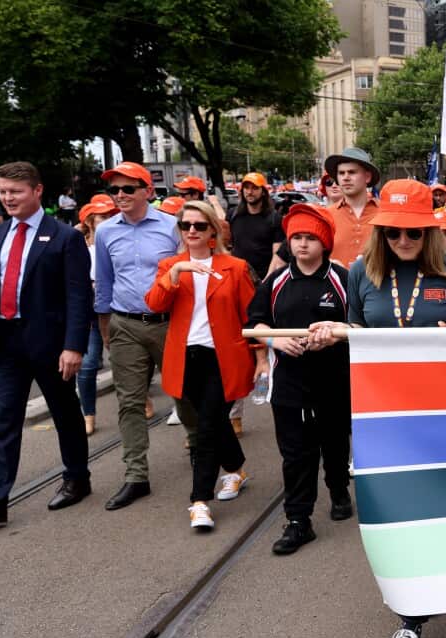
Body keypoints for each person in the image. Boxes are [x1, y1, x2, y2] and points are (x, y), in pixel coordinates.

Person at [306, 178, 446, 638]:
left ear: (429, 232)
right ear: (380, 232)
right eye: (393, 233)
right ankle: (412, 619)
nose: (402, 242)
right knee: (399, 514)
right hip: (385, 416)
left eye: (412, 233)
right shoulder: (362, 271)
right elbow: (362, 333)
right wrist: (339, 332)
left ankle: (445, 588)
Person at [0, 162, 93, 528]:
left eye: (16, 191)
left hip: (51, 345)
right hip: (6, 344)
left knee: (65, 413)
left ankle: (77, 477)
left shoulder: (64, 237)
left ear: (37, 191)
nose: (8, 198)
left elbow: (78, 296)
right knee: (4, 422)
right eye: (3, 191)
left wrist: (74, 346)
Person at [248, 204, 353, 554]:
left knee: (335, 444)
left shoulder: (343, 278)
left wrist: (336, 333)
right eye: (297, 238)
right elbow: (256, 323)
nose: (303, 245)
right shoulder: (275, 282)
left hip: (335, 380)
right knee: (295, 454)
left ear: (324, 243)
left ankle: (339, 491)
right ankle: (298, 521)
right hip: (290, 384)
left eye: (310, 238)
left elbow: (359, 325)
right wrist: (275, 339)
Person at [144, 201, 255, 531]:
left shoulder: (234, 267)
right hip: (185, 358)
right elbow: (154, 304)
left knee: (206, 428)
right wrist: (175, 276)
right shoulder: (170, 265)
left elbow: (251, 316)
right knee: (214, 422)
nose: (191, 230)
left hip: (223, 358)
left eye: (199, 225)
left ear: (213, 231)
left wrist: (260, 357)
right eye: (185, 225)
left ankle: (199, 501)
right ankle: (235, 468)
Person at [94, 161, 182, 511]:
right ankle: (136, 475)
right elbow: (104, 282)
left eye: (127, 189)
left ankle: (199, 455)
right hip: (124, 324)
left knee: (183, 394)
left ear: (148, 191)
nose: (119, 195)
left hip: (167, 324)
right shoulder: (105, 232)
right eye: (113, 190)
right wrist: (106, 328)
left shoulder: (173, 227)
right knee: (129, 401)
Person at [76, 197, 119, 436]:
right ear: (90, 221)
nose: (108, 221)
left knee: (124, 362)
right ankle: (88, 415)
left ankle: (143, 398)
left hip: (114, 312)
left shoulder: (116, 241)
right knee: (88, 364)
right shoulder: (76, 245)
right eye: (103, 217)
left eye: (110, 216)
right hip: (89, 315)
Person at [323, 147, 381, 268]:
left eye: (352, 172)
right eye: (341, 173)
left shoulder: (385, 213)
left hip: (377, 285)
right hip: (336, 285)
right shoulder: (326, 215)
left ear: (367, 177)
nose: (345, 177)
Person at [228, 172, 283, 281]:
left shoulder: (274, 218)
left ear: (263, 191)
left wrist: (267, 280)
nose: (249, 192)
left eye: (254, 188)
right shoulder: (232, 214)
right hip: (236, 277)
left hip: (262, 279)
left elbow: (277, 255)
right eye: (246, 188)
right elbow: (226, 245)